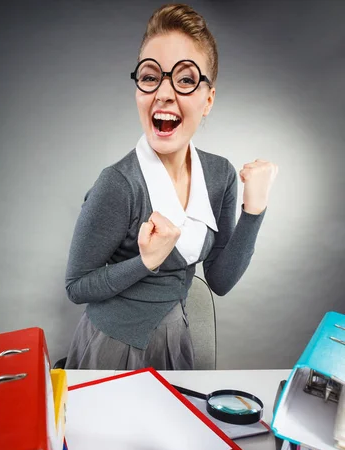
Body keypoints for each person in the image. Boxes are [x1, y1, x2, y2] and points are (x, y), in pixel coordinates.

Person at [64, 3, 278, 370]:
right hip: (112, 349)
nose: (163, 93)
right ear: (139, 90)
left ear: (208, 99)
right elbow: (77, 286)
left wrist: (253, 211)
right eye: (150, 77)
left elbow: (220, 280)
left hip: (176, 341)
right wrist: (145, 261)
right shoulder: (118, 184)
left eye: (184, 79)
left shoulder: (220, 175)